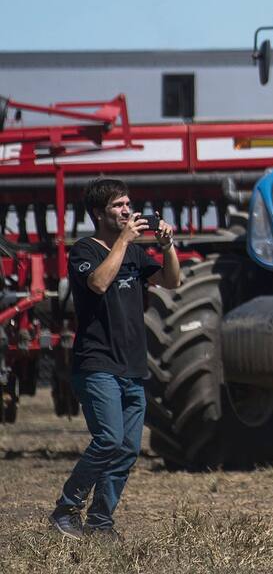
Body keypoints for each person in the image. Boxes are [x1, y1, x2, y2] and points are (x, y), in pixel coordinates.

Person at [48, 178, 180, 540]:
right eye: (118, 206)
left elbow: (172, 281)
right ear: (97, 213)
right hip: (97, 365)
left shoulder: (136, 254)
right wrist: (123, 240)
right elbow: (99, 283)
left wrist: (167, 247)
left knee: (126, 451)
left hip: (132, 366)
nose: (127, 210)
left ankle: (101, 522)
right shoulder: (83, 251)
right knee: (108, 439)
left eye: (127, 204)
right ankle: (65, 509)